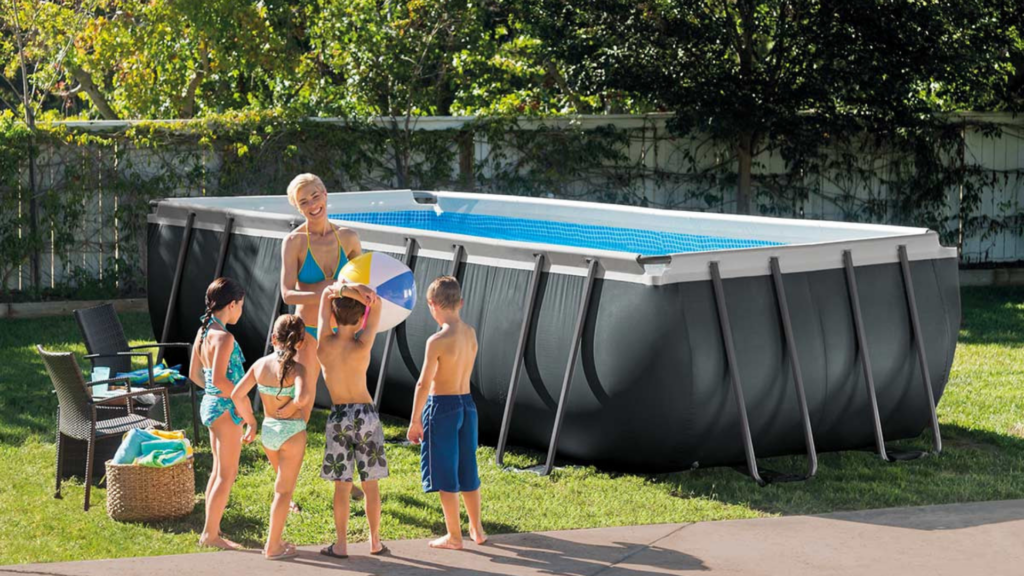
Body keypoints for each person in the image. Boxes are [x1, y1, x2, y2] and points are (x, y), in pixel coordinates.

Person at [279, 173, 364, 502]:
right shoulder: (295, 242)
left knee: (347, 408)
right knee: (302, 407)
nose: (312, 205)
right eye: (304, 202)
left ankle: (346, 479)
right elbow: (288, 294)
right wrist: (331, 289)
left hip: (341, 334)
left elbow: (365, 283)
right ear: (297, 207)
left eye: (315, 196)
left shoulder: (349, 237)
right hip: (309, 335)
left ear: (325, 194)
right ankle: (288, 488)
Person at [407, 276, 486, 550]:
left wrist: (415, 420)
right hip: (467, 405)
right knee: (468, 467)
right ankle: (476, 528)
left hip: (442, 407)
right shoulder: (470, 333)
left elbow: (423, 383)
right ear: (460, 303)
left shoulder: (437, 340)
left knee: (445, 471)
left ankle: (454, 536)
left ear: (432, 304)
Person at [315, 280, 390, 558]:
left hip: (338, 416)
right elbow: (378, 305)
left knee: (342, 486)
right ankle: (375, 541)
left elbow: (326, 293)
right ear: (362, 319)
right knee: (371, 485)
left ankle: (342, 544)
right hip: (366, 415)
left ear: (333, 316)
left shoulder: (323, 345)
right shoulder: (363, 345)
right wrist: (366, 292)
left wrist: (348, 287)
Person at [231, 315, 315, 560]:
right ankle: (273, 546)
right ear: (300, 342)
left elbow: (237, 395)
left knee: (281, 486)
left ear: (273, 338)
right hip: (291, 433)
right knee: (283, 492)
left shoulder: (260, 365)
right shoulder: (298, 368)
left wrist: (251, 422)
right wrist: (291, 407)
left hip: (269, 431)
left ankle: (274, 541)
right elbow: (303, 397)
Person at [189, 277, 246, 550]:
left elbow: (194, 374)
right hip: (224, 410)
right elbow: (222, 380)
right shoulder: (224, 337)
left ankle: (211, 528)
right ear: (232, 304)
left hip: (211, 406)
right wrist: (240, 401)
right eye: (241, 306)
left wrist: (213, 393)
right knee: (227, 474)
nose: (241, 311)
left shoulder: (202, 332)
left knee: (217, 471)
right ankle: (210, 536)